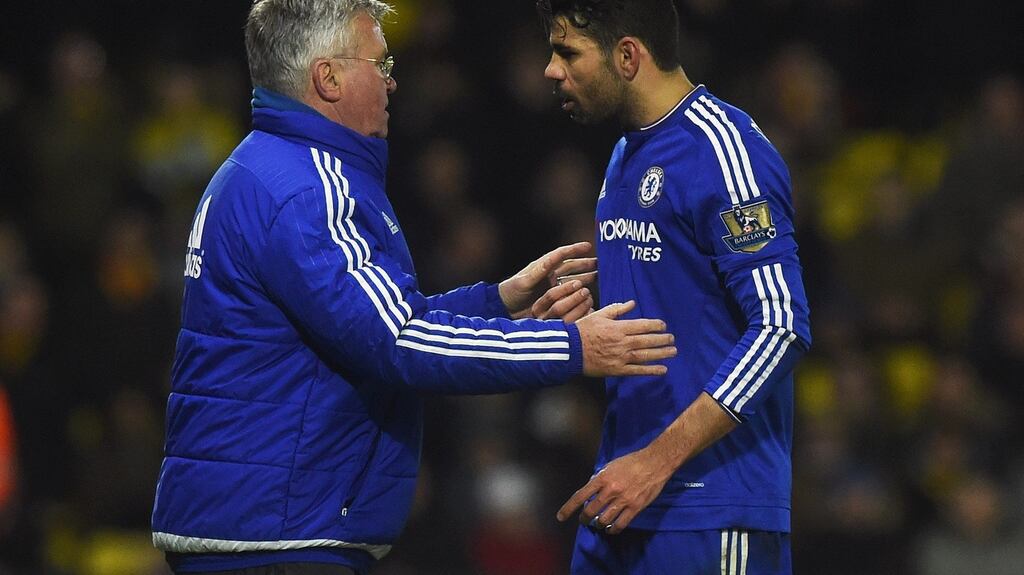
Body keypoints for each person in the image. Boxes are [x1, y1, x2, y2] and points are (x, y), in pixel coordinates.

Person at [149, 1, 678, 574]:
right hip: (278, 541)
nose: (392, 79)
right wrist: (573, 348)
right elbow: (396, 341)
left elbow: (370, 322)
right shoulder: (305, 191)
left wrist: (497, 302)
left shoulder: (264, 170)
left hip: (259, 527)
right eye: (380, 62)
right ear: (328, 78)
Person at [536, 1, 812, 573]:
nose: (551, 70)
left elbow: (781, 326)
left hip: (710, 508)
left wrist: (656, 462)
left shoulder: (722, 149)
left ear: (628, 55)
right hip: (620, 495)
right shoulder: (623, 155)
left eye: (567, 53)